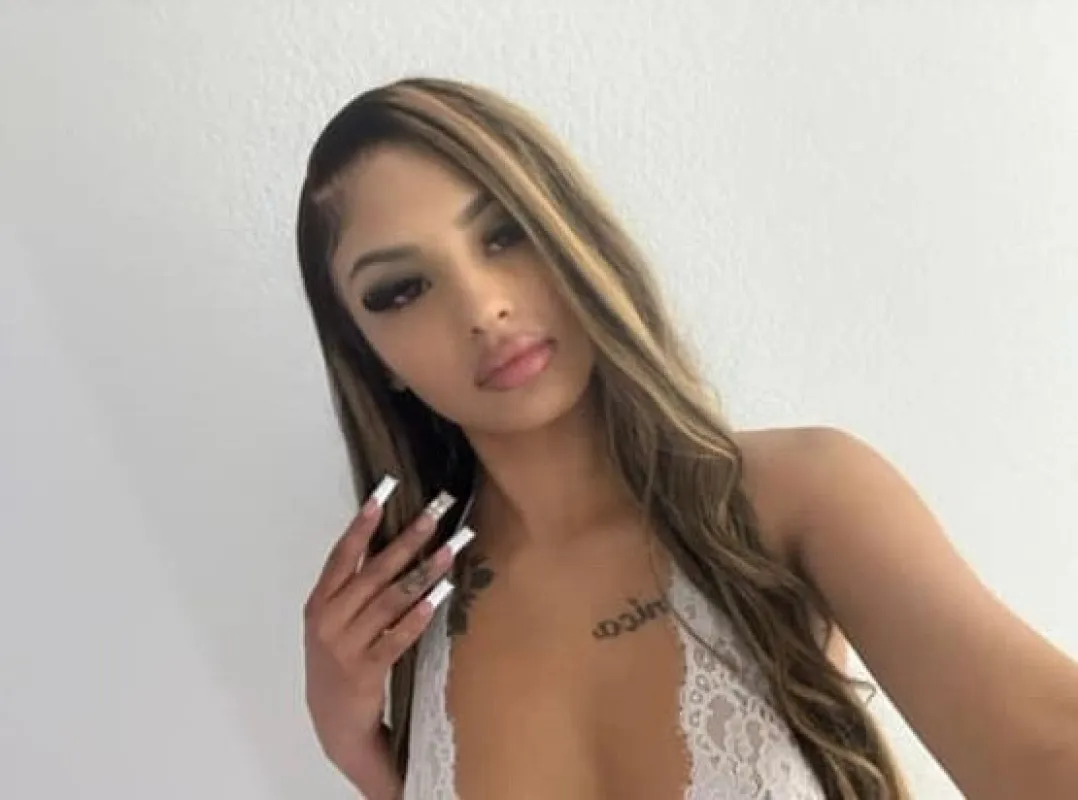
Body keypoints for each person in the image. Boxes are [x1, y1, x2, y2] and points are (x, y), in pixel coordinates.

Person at [296, 78, 1078, 799]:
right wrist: (357, 749)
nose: (481, 306)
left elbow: (1049, 746)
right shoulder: (405, 626)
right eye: (401, 289)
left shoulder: (800, 497)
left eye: (504, 234)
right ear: (373, 358)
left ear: (570, 231)